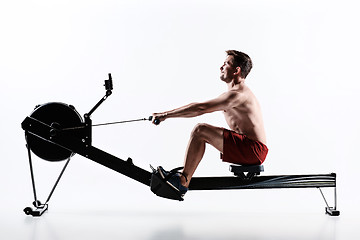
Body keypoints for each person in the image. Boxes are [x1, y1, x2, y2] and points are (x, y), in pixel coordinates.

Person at [152, 50, 268, 196]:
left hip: (253, 150)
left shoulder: (238, 95)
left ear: (236, 70)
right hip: (249, 147)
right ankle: (183, 178)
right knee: (202, 131)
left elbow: (200, 108)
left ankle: (182, 182)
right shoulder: (233, 93)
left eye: (226, 64)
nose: (221, 67)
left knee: (200, 130)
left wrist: (165, 115)